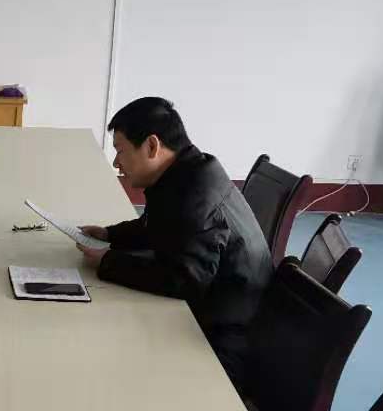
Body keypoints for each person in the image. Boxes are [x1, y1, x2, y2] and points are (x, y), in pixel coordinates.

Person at [77, 97, 272, 389]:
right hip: (218, 316)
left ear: (151, 146)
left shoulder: (194, 198)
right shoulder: (187, 171)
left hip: (221, 344)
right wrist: (110, 234)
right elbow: (158, 227)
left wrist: (108, 262)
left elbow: (183, 280)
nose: (116, 163)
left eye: (120, 150)